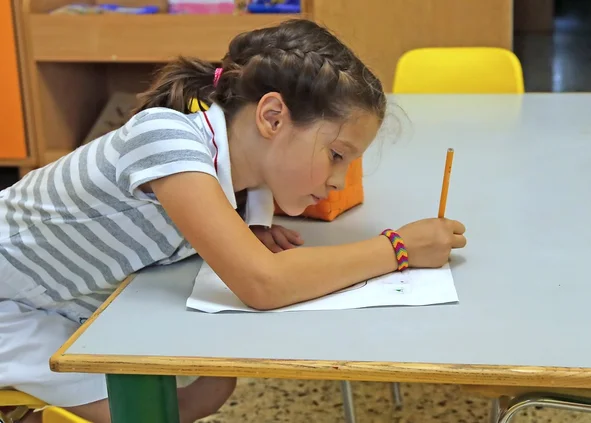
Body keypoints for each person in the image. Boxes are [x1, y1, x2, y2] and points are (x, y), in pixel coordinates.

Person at [0, 19, 466, 423]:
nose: (339, 181)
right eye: (336, 155)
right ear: (272, 117)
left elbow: (254, 223)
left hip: (64, 302)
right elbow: (262, 283)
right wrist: (396, 248)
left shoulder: (242, 168)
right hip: (9, 307)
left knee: (194, 396)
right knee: (165, 407)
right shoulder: (166, 138)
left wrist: (251, 230)